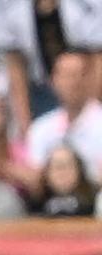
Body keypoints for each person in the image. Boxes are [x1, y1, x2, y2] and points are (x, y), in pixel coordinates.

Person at [24, 49, 102, 181]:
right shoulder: (40, 128)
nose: (73, 83)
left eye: (78, 75)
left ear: (91, 79)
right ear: (53, 81)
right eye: (66, 76)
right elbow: (36, 179)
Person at [33, 141, 100, 215]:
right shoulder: (36, 200)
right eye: (58, 166)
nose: (63, 172)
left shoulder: (94, 198)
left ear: (79, 170)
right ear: (47, 173)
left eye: (68, 165)